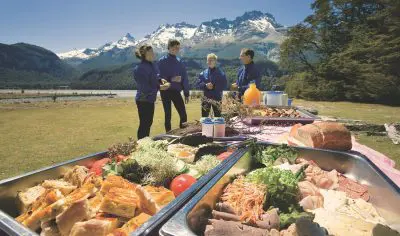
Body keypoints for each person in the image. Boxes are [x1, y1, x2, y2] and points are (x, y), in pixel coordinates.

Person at [133, 45, 170, 139]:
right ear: (144, 54)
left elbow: (155, 77)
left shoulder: (152, 64)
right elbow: (145, 86)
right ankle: (141, 145)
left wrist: (160, 80)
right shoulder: (140, 68)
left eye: (153, 52)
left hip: (150, 99)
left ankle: (144, 143)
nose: (153, 54)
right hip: (143, 99)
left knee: (148, 122)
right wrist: (160, 87)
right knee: (144, 124)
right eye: (150, 53)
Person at [157, 39, 190, 132]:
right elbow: (158, 77)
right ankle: (168, 136)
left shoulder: (180, 62)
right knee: (168, 116)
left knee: (183, 114)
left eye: (178, 48)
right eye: (174, 48)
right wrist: (171, 79)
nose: (176, 50)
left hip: (176, 91)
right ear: (169, 48)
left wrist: (186, 93)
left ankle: (183, 134)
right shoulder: (161, 61)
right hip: (165, 91)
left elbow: (185, 78)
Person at [195, 53, 227, 117]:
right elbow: (198, 84)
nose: (209, 62)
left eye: (211, 60)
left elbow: (224, 85)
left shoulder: (221, 73)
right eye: (208, 60)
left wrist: (214, 86)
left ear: (215, 61)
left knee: (218, 117)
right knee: (204, 117)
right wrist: (205, 85)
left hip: (217, 98)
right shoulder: (203, 73)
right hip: (206, 98)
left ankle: (217, 127)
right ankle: (205, 127)